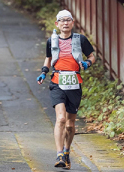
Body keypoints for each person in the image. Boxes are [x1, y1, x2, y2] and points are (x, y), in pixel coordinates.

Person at [45, 10, 91, 168]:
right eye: (62, 20)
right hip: (57, 82)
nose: (65, 23)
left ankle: (66, 151)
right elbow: (49, 58)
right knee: (61, 119)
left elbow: (92, 55)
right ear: (57, 24)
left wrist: (87, 63)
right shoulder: (52, 40)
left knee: (70, 124)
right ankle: (59, 156)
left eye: (68, 20)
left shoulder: (80, 39)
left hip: (74, 83)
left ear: (73, 22)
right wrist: (44, 72)